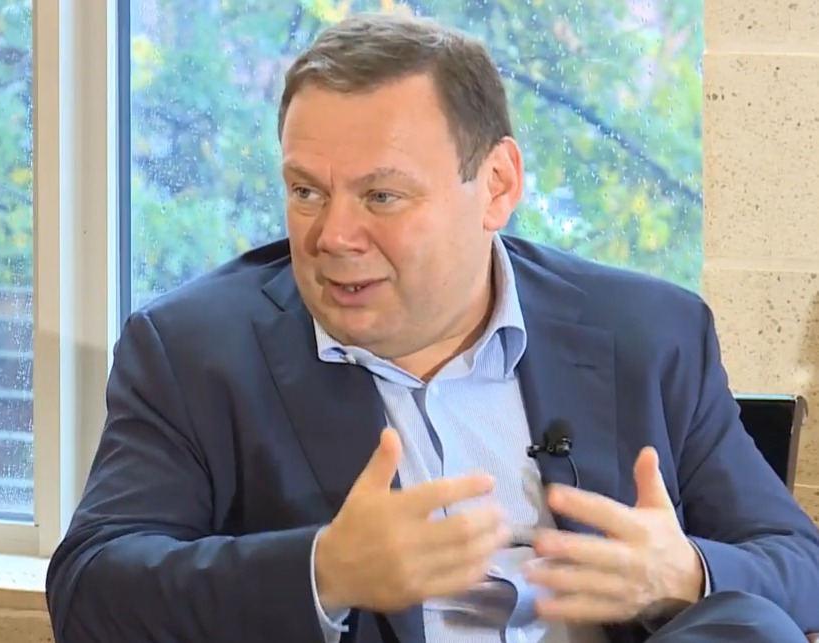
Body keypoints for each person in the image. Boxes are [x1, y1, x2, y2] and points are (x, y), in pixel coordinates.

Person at [46, 12, 819, 643]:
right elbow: (90, 591)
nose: (332, 235)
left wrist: (684, 573)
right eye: (307, 191)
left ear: (496, 186)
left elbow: (799, 564)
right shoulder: (191, 351)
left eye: (381, 197)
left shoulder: (651, 333)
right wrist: (323, 571)